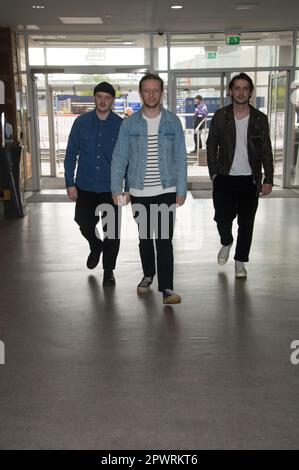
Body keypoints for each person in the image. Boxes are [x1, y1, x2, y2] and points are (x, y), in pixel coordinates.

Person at [111, 73, 187, 304]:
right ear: (141, 93)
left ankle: (167, 289)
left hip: (166, 188)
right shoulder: (129, 124)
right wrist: (117, 188)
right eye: (147, 90)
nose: (151, 94)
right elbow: (119, 158)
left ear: (161, 93)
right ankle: (147, 275)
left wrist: (181, 189)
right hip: (139, 191)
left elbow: (180, 156)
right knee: (145, 238)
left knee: (164, 240)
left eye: (156, 90)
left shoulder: (173, 122)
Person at [207, 72, 273, 278]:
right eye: (237, 88)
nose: (241, 92)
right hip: (224, 177)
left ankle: (240, 261)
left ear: (251, 92)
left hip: (250, 180)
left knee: (247, 223)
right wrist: (214, 173)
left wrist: (268, 178)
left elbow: (266, 150)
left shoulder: (260, 119)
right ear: (230, 91)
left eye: (245, 88)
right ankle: (226, 241)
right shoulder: (220, 116)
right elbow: (211, 145)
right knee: (222, 219)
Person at [64, 82, 122, 286]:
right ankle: (96, 245)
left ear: (113, 101)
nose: (103, 101)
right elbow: (71, 154)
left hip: (111, 188)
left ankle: (108, 270)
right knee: (83, 222)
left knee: (112, 232)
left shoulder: (120, 125)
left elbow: (129, 159)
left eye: (107, 97)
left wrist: (129, 188)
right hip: (85, 185)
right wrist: (70, 183)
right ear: (94, 98)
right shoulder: (81, 123)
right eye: (99, 97)